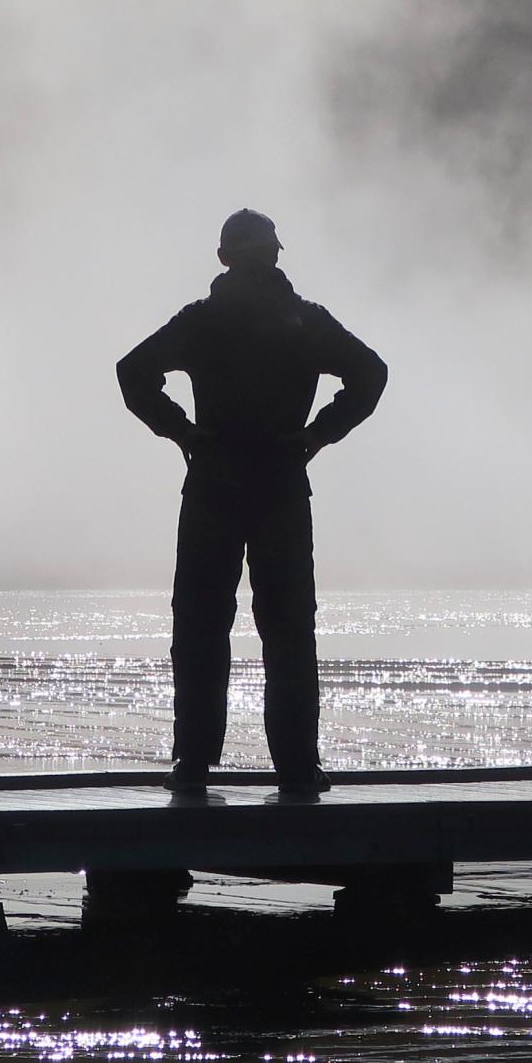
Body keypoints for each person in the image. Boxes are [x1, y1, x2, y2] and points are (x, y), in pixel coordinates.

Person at [117, 209, 387, 800]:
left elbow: (133, 372)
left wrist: (184, 433)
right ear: (274, 254)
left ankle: (192, 762)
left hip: (214, 483)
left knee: (201, 624)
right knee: (289, 627)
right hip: (280, 486)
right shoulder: (305, 322)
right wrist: (317, 434)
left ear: (223, 259)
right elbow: (370, 374)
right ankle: (294, 766)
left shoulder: (203, 321)